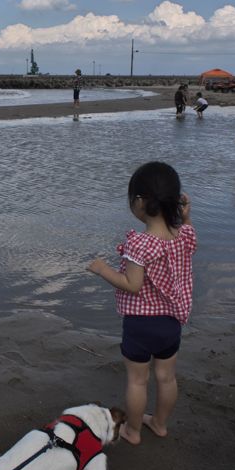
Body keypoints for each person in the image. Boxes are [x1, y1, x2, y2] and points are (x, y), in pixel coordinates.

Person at [87, 162, 197, 445]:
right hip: (171, 323)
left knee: (137, 381)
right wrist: (185, 217)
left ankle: (133, 431)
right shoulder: (184, 235)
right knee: (166, 377)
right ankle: (159, 424)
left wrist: (103, 270)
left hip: (141, 324)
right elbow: (186, 230)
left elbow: (132, 285)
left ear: (139, 202)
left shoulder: (142, 243)